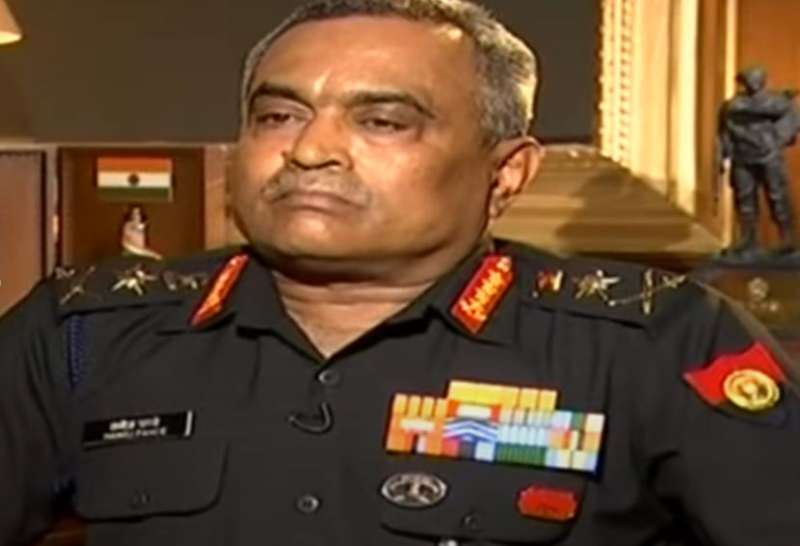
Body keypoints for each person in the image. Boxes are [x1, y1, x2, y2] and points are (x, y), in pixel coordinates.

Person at [1, 1, 799, 545]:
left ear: (507, 174)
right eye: (278, 115)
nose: (310, 149)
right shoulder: (85, 333)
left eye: (382, 121)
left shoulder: (654, 342)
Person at [717, 66, 800, 259]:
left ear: (762, 81)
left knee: (777, 195)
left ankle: (787, 238)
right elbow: (723, 132)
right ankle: (748, 239)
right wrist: (723, 154)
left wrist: (774, 139)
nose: (752, 83)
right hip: (742, 156)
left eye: (755, 79)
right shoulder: (732, 105)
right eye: (748, 79)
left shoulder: (777, 102)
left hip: (769, 155)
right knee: (745, 198)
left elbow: (791, 121)